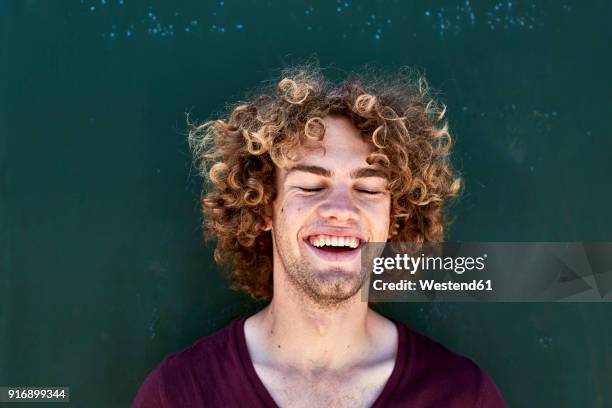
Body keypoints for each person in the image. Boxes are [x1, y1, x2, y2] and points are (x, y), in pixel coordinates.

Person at [133, 65, 507, 407]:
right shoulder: (180, 393)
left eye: (369, 190)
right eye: (311, 185)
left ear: (395, 217)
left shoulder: (462, 395)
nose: (341, 209)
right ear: (263, 205)